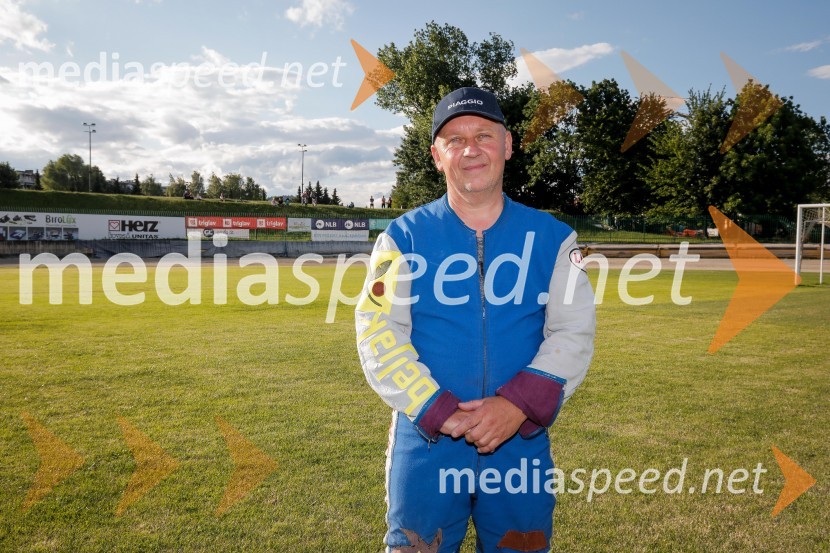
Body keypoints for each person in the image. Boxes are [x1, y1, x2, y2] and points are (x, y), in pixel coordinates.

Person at [355, 87, 596, 553]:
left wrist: (516, 405)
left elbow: (573, 330)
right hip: (425, 443)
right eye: (454, 139)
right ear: (436, 155)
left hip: (519, 441)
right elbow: (378, 333)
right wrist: (440, 411)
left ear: (507, 146)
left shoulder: (556, 239)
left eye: (484, 136)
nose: (470, 149)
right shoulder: (401, 238)